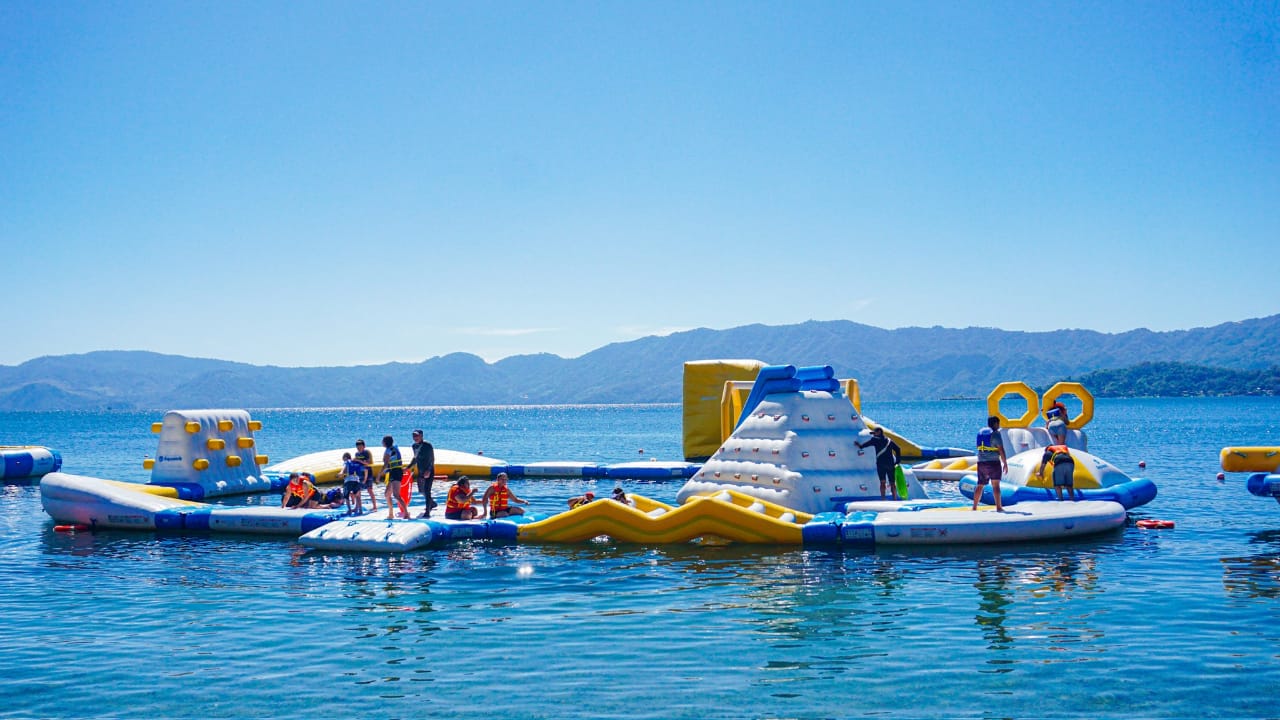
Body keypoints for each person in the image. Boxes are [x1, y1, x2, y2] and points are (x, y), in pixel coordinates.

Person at [856, 426, 902, 500]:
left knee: (882, 482)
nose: (873, 435)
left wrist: (859, 445)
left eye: (875, 433)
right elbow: (898, 449)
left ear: (879, 432)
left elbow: (863, 446)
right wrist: (897, 461)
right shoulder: (889, 440)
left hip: (881, 464)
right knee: (892, 483)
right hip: (890, 464)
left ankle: (883, 499)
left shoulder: (874, 440)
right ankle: (895, 499)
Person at [973, 416, 1008, 511]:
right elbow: (1001, 449)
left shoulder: (980, 433)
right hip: (994, 462)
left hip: (981, 462)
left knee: (980, 485)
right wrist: (1005, 463)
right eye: (998, 423)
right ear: (996, 423)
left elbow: (978, 446)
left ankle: (974, 507)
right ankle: (999, 507)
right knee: (996, 485)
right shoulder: (996, 434)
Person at [405, 429, 437, 518]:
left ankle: (427, 512)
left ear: (421, 436)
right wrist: (408, 468)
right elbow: (415, 458)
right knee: (421, 490)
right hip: (421, 470)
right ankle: (432, 503)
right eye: (414, 436)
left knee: (427, 490)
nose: (415, 438)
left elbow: (432, 459)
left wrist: (429, 470)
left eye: (417, 436)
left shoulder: (427, 445)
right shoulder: (414, 446)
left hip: (428, 471)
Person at [380, 435, 409, 520]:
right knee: (387, 494)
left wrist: (379, 475)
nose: (381, 442)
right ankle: (391, 514)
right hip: (393, 472)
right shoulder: (394, 448)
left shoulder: (389, 450)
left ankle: (406, 513)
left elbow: (385, 463)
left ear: (385, 443)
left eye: (383, 441)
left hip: (396, 472)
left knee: (396, 495)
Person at [353, 439, 377, 512]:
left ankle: (375, 507)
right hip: (360, 474)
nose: (359, 448)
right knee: (358, 491)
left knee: (370, 490)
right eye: (357, 447)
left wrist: (357, 460)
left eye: (360, 447)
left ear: (364, 446)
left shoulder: (366, 452)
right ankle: (357, 507)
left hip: (368, 474)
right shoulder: (357, 454)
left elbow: (367, 463)